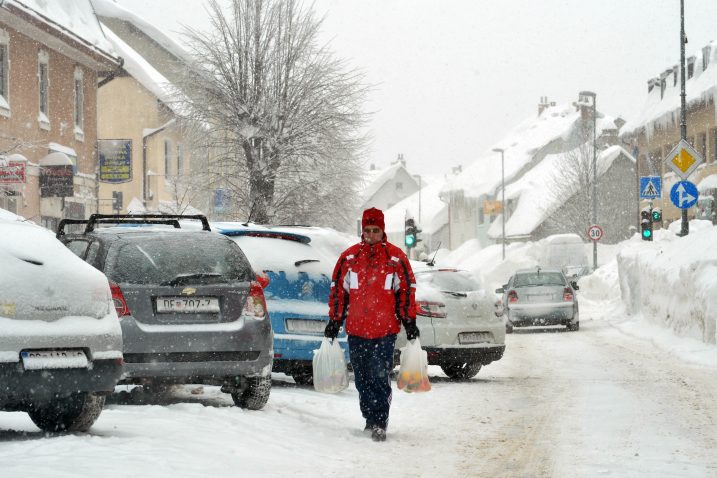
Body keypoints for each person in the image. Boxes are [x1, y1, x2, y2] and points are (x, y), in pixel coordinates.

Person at [325, 207, 420, 442]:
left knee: (380, 377)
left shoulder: (396, 260)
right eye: (367, 230)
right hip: (357, 331)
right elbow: (338, 292)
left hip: (384, 331)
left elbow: (406, 293)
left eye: (375, 230)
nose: (370, 235)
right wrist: (334, 321)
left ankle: (379, 421)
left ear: (382, 231)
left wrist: (409, 322)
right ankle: (368, 418)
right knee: (362, 378)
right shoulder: (349, 259)